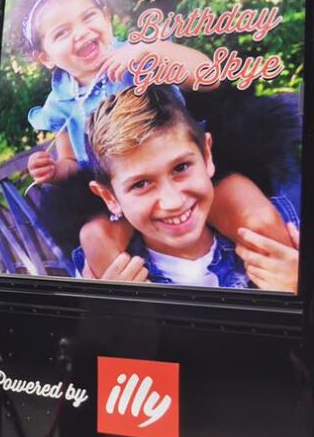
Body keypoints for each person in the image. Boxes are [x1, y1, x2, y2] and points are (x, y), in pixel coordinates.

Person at [14, 0, 295, 279]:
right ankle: (145, 306)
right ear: (46, 57)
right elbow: (70, 160)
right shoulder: (63, 100)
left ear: (106, 18)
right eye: (61, 32)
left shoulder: (136, 54)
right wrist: (55, 171)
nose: (80, 32)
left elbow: (208, 77)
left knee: (252, 211)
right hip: (116, 190)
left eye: (88, 16)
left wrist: (150, 51)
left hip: (184, 164)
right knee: (94, 238)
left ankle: (280, 283)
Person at [78, 87, 299, 292]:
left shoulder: (288, 232)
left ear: (207, 156)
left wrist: (299, 289)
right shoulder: (101, 275)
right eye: (141, 184)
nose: (173, 201)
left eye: (181, 167)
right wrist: (109, 318)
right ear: (109, 197)